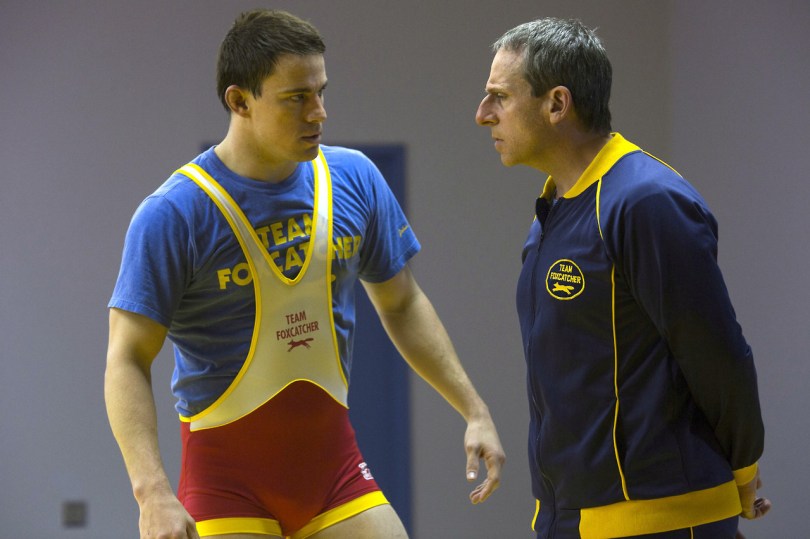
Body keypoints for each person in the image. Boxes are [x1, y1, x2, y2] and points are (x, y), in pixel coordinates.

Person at [105, 9, 504, 539]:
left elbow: (402, 303)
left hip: (335, 476)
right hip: (226, 485)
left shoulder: (355, 179)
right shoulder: (174, 214)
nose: (318, 112)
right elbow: (127, 357)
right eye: (296, 97)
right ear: (239, 101)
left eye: (321, 92)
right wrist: (151, 493)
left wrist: (474, 409)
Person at [475, 17, 770, 539]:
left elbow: (717, 353)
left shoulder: (645, 200)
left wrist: (744, 469)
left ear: (557, 104)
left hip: (661, 518)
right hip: (567, 518)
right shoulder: (551, 210)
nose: (483, 114)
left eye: (499, 96)